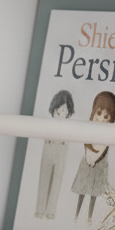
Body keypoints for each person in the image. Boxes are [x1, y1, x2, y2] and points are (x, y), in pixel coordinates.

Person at [72, 91, 115, 225]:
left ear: (111, 119)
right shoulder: (89, 129)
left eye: (106, 116)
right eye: (98, 113)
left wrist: (94, 160)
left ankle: (89, 218)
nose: (101, 119)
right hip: (87, 163)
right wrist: (89, 159)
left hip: (99, 166)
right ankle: (76, 215)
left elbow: (102, 150)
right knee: (81, 190)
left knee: (93, 194)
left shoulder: (107, 134)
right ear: (93, 112)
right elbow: (87, 145)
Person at [35, 90, 74, 220]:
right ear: (54, 109)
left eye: (64, 109)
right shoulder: (49, 123)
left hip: (61, 151)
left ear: (68, 111)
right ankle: (40, 209)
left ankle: (51, 210)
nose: (61, 112)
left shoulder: (69, 126)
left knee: (57, 180)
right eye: (58, 109)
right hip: (49, 149)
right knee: (44, 178)